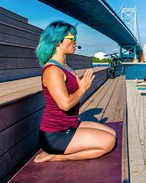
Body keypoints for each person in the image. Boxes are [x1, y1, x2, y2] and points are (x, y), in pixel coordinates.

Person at [34, 21, 116, 162]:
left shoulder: (65, 65)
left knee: (112, 133)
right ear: (57, 41)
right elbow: (65, 104)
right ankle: (56, 156)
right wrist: (82, 88)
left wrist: (81, 88)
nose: (75, 41)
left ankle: (61, 149)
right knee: (108, 142)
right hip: (55, 135)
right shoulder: (53, 70)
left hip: (70, 124)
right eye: (72, 39)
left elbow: (74, 94)